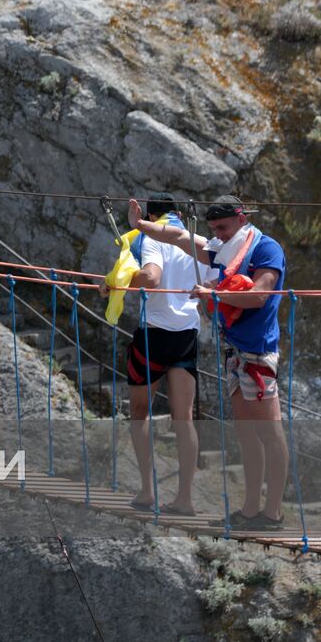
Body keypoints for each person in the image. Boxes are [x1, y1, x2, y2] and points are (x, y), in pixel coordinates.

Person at [130, 194, 288, 530]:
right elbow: (178, 237)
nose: (220, 233)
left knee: (270, 432)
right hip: (235, 353)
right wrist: (139, 224)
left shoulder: (265, 248)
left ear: (242, 219)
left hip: (259, 352)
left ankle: (273, 513)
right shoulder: (222, 248)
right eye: (214, 228)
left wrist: (212, 294)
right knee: (246, 434)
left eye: (224, 227)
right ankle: (248, 511)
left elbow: (260, 294)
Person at [103, 193, 199, 516]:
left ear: (152, 216)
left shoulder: (153, 238)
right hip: (187, 336)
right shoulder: (194, 241)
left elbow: (152, 279)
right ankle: (184, 498)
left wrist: (113, 282)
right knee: (184, 419)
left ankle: (147, 491)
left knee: (139, 413)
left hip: (154, 336)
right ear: (177, 215)